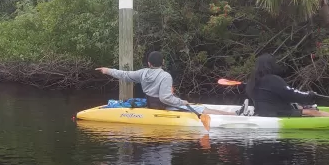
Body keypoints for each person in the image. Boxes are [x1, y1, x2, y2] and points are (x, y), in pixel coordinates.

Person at [96, 51, 236, 115]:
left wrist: (107, 70)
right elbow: (165, 98)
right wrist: (181, 102)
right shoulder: (165, 76)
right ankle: (234, 115)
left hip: (152, 105)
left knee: (196, 105)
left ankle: (234, 113)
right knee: (201, 109)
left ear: (149, 63)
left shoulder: (143, 72)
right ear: (163, 62)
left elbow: (124, 75)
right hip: (163, 107)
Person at [246, 54, 329, 117]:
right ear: (271, 65)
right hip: (278, 114)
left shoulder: (253, 81)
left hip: (262, 112)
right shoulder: (273, 79)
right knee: (312, 112)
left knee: (299, 106)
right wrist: (310, 95)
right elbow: (292, 94)